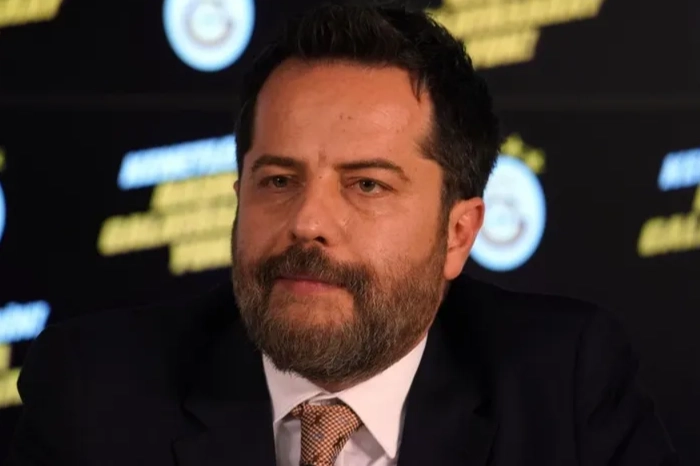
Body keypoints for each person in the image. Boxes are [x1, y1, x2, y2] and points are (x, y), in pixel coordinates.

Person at [7, 2, 678, 466]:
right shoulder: (95, 392)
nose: (307, 222)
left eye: (367, 185)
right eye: (278, 180)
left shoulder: (562, 386)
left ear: (458, 233)